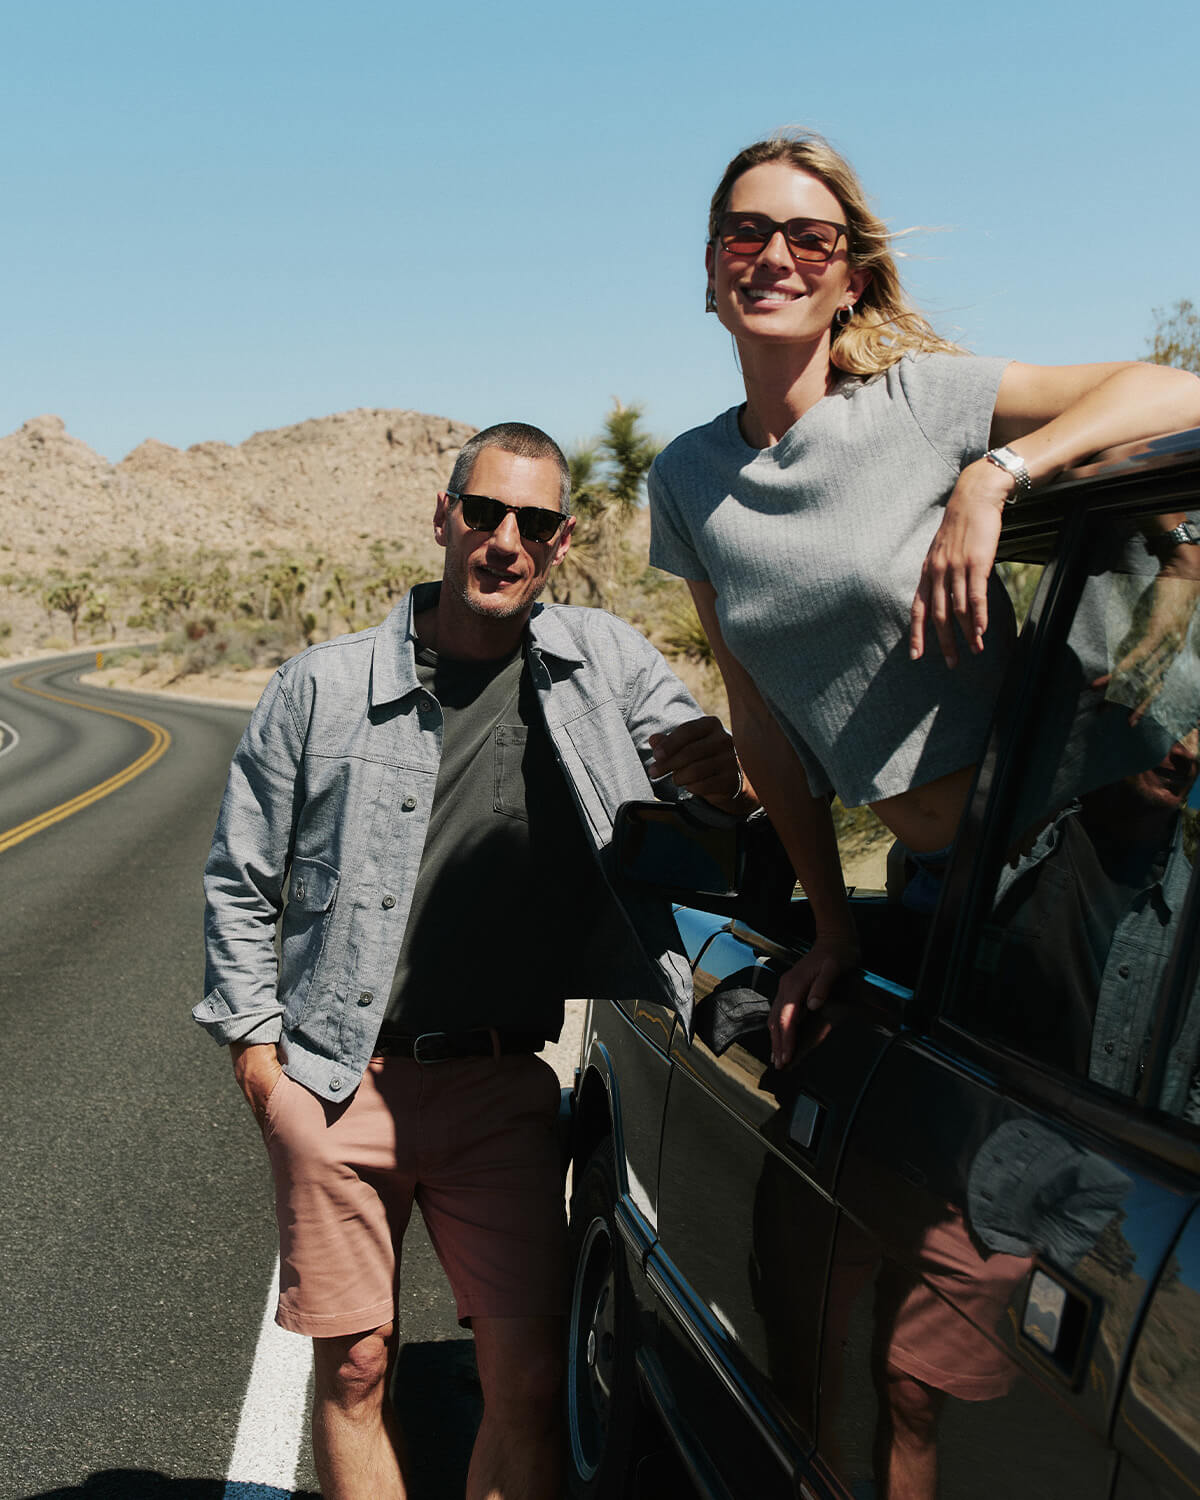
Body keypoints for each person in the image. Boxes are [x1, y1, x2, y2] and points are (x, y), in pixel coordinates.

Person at [196, 422, 751, 1500]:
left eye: (532, 523)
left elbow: (705, 810)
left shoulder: (610, 667)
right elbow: (239, 878)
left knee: (531, 1380)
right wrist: (261, 1063)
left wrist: (722, 778)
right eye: (485, 513)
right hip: (337, 1078)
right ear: (444, 516)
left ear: (561, 541)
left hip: (500, 1083)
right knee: (356, 1366)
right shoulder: (320, 686)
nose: (504, 540)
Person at [647, 128, 1200, 1068]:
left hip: (1068, 850)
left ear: (849, 277)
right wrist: (832, 931)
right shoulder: (686, 479)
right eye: (746, 234)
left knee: (1068, 1194)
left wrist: (997, 475)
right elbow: (763, 726)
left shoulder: (918, 403)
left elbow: (1177, 393)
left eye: (809, 238)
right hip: (935, 883)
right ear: (711, 264)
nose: (775, 256)